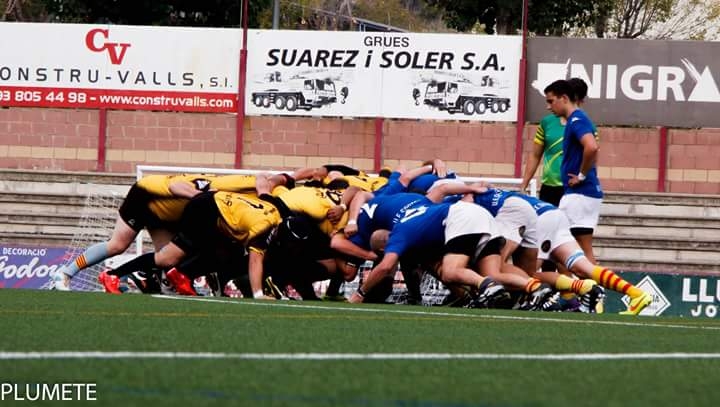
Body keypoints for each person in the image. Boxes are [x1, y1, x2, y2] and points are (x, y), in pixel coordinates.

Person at [52, 173, 291, 291]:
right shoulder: (232, 186)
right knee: (117, 245)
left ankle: (123, 279)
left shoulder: (249, 204)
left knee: (168, 259)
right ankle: (65, 273)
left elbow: (272, 179)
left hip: (169, 215)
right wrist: (202, 197)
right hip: (146, 197)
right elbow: (177, 185)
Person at [511, 192, 652, 315]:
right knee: (584, 267)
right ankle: (637, 294)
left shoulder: (493, 205)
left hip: (540, 221)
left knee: (526, 275)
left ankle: (582, 286)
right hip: (555, 215)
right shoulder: (504, 195)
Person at [544, 78, 602, 265]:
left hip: (579, 194)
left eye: (551, 101)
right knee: (581, 252)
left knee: (559, 246)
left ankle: (573, 292)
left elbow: (592, 147)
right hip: (584, 194)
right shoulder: (578, 120)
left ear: (564, 98)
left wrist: (582, 175)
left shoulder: (577, 119)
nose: (548, 107)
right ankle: (589, 291)